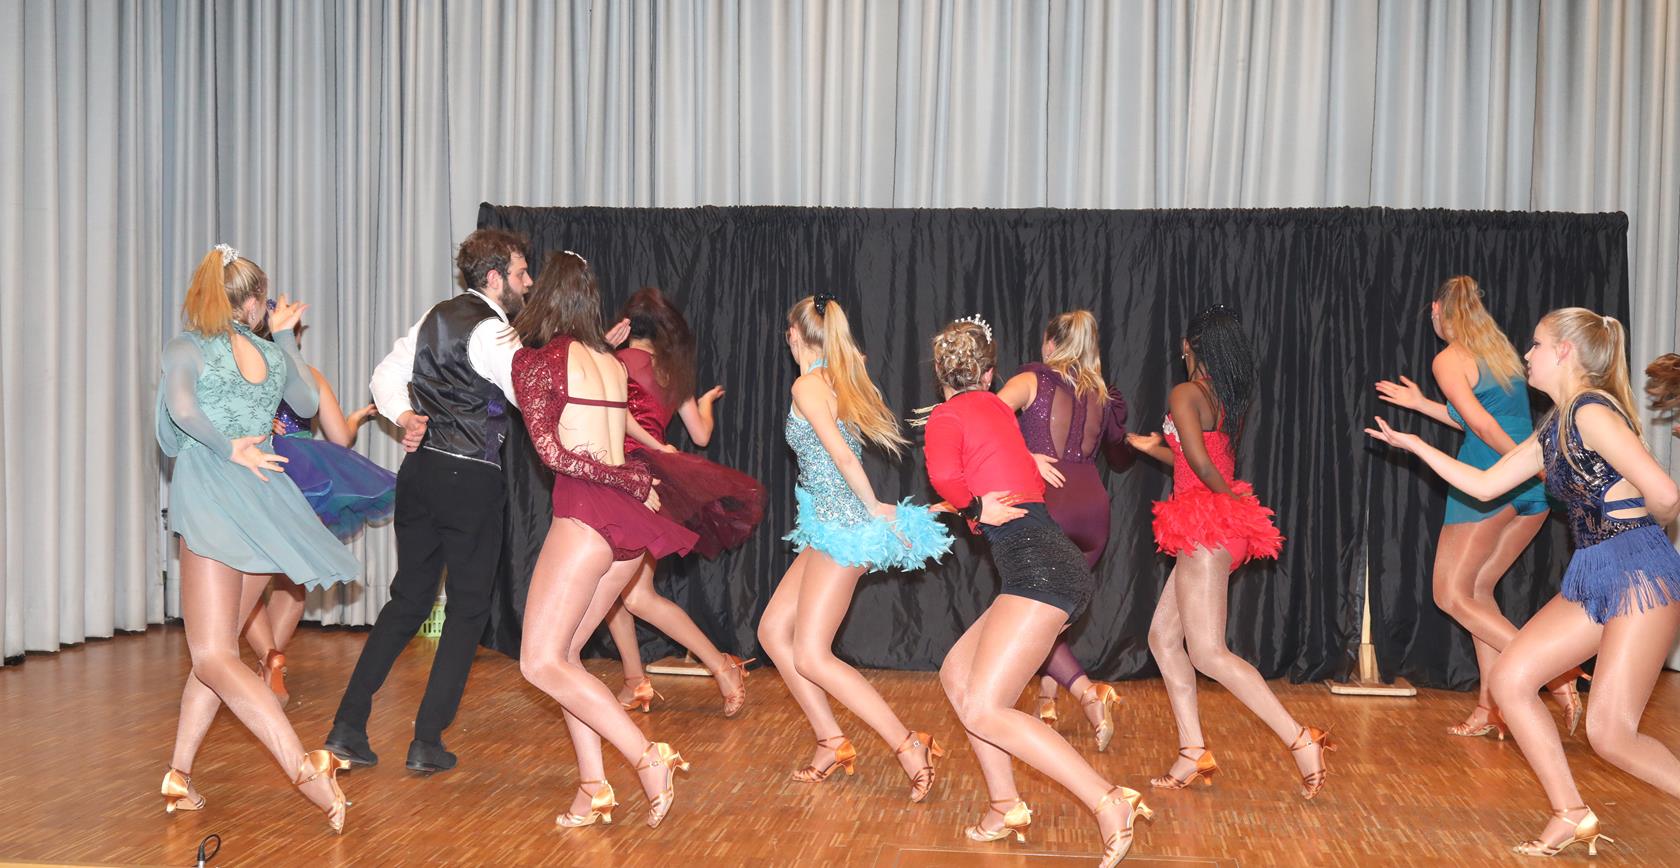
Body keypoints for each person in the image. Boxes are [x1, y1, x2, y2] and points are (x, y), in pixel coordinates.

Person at [1367, 308, 1680, 857]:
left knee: (1611, 735)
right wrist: (1415, 445)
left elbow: (1667, 495)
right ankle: (1571, 813)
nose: (1526, 355)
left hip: (1636, 570)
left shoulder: (1590, 410)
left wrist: (1635, 527)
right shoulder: (1557, 423)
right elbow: (1486, 485)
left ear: (1564, 351)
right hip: (1594, 571)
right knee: (1512, 680)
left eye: (1535, 345)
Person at [922, 315, 1151, 866]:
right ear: (989, 374)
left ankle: (1109, 800)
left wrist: (971, 507)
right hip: (1044, 568)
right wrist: (983, 500)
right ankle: (1006, 806)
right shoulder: (999, 412)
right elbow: (1000, 465)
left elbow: (946, 477)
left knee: (985, 708)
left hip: (1040, 572)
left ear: (940, 375)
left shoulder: (948, 415)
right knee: (957, 675)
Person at [156, 244, 357, 832]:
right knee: (215, 652)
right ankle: (179, 774)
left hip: (215, 493)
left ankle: (304, 769)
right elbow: (306, 402)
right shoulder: (270, 353)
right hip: (266, 499)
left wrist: (227, 448)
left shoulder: (186, 347)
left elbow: (182, 410)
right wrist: (287, 339)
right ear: (253, 302)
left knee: (213, 655)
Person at [324, 228, 531, 774]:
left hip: (420, 475)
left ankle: (348, 725)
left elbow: (383, 375)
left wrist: (404, 415)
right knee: (468, 609)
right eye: (520, 273)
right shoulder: (496, 332)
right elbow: (526, 398)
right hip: (471, 479)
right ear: (495, 278)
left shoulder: (434, 317)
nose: (528, 282)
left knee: (408, 601)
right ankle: (426, 740)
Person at [510, 252, 698, 829]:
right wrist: (634, 480)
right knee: (566, 659)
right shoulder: (611, 364)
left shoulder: (536, 361)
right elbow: (620, 444)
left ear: (545, 296)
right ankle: (592, 787)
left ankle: (646, 757)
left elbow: (553, 453)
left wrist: (627, 479)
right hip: (627, 528)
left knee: (538, 663)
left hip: (588, 515)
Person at [1126, 305, 1333, 799]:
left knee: (1208, 652)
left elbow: (1201, 464)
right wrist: (1151, 448)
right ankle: (1192, 751)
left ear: (1188, 346)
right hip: (1216, 525)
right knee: (1163, 638)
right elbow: (1196, 455)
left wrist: (1228, 500)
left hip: (1207, 524)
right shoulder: (1221, 395)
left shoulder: (1184, 392)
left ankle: (1300, 738)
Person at [754, 294, 952, 800]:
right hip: (827, 526)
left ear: (794, 334)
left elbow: (843, 456)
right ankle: (831, 740)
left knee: (811, 655)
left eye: (787, 331)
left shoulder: (807, 385)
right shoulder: (832, 379)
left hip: (844, 529)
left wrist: (875, 508)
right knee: (773, 631)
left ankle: (908, 744)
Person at [1374, 276, 1566, 738]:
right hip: (1528, 491)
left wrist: (1525, 467)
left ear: (1437, 309)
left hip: (1488, 482)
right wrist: (1422, 404)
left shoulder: (1448, 358)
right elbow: (1477, 417)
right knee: (1478, 594)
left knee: (1449, 595)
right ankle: (1489, 707)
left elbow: (1480, 427)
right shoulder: (1502, 354)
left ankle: (1553, 670)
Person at [598, 287, 765, 716]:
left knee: (633, 595)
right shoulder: (674, 374)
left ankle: (721, 666)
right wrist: (704, 403)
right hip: (649, 479)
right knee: (613, 589)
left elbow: (618, 418)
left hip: (627, 477)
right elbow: (701, 435)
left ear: (627, 327)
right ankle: (635, 681)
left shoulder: (612, 363)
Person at [243, 306, 392, 706]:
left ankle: (268, 658)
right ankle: (271, 663)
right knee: (292, 582)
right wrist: (354, 419)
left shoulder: (246, 373)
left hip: (259, 470)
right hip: (305, 476)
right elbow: (340, 438)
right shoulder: (310, 376)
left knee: (247, 575)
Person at [994, 310, 1128, 749]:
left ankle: (1089, 694)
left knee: (1035, 610)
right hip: (1094, 509)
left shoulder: (1033, 379)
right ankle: (1047, 701)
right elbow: (1119, 453)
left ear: (1050, 344)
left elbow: (987, 418)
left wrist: (1027, 456)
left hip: (1050, 503)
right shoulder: (1101, 394)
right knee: (1056, 612)